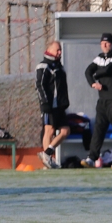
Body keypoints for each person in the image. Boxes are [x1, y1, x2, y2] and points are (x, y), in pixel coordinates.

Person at [83, 33, 112, 168]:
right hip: (102, 100)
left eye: (107, 43)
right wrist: (93, 83)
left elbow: (108, 70)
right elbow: (87, 71)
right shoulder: (99, 57)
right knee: (98, 129)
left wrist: (96, 74)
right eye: (102, 43)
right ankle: (92, 157)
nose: (104, 45)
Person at [35, 41, 69, 169]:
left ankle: (47, 154)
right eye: (57, 50)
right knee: (49, 130)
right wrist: (44, 102)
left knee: (65, 131)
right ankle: (47, 161)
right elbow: (40, 85)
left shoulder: (59, 66)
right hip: (50, 104)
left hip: (60, 105)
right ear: (49, 50)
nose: (59, 52)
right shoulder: (44, 66)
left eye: (60, 50)